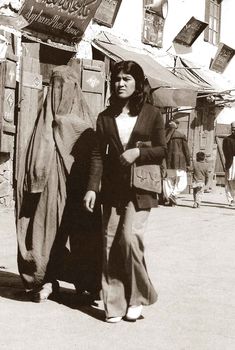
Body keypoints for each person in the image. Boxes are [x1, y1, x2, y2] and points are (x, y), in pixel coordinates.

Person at [84, 60, 166, 323]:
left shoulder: (153, 114)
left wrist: (138, 153)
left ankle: (138, 297)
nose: (120, 83)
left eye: (127, 79)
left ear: (138, 84)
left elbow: (163, 150)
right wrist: (92, 188)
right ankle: (114, 305)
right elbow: (97, 154)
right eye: (117, 79)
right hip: (111, 189)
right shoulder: (105, 117)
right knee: (109, 243)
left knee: (130, 239)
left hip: (141, 187)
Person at [16, 65, 102, 302]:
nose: (59, 91)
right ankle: (44, 280)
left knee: (80, 236)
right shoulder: (42, 122)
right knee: (44, 233)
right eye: (55, 85)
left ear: (75, 88)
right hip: (45, 190)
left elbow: (94, 157)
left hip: (76, 190)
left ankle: (87, 283)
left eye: (65, 86)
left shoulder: (85, 123)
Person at [163, 119, 190, 206]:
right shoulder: (181, 135)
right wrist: (188, 163)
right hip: (180, 161)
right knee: (182, 181)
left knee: (168, 181)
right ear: (177, 125)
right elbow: (186, 150)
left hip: (168, 161)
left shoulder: (164, 135)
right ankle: (173, 195)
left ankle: (170, 199)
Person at [222, 121, 235, 207]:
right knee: (229, 181)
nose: (234, 131)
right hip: (230, 162)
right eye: (233, 129)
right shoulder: (227, 139)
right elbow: (224, 152)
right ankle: (231, 199)